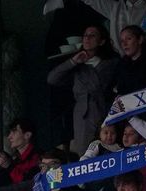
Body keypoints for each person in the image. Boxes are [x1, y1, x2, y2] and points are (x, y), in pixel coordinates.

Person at [47, 24, 117, 152]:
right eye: (85, 35)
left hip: (105, 112)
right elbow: (52, 79)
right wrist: (73, 61)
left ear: (101, 41)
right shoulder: (77, 65)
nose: (87, 38)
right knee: (85, 154)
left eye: (92, 35)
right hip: (82, 115)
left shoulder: (111, 63)